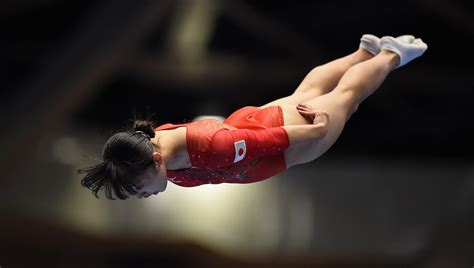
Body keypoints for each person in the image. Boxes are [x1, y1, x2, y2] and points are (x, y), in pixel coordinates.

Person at [79, 34, 428, 200]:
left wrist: (314, 132)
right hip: (247, 131)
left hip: (279, 143)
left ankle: (389, 55)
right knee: (305, 93)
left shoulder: (210, 147)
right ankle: (361, 52)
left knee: (346, 99)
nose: (143, 195)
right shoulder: (152, 142)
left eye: (139, 189)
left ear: (155, 160)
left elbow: (266, 142)